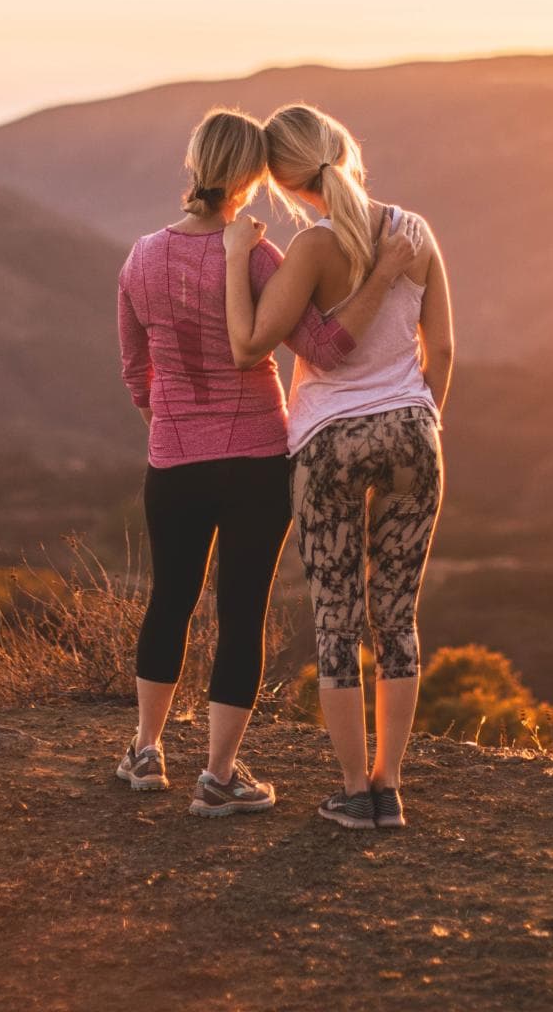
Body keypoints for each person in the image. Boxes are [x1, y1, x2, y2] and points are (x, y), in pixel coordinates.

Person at [113, 107, 414, 817]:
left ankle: (146, 751)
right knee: (241, 612)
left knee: (170, 599)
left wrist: (172, 424)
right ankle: (218, 776)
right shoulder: (260, 258)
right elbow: (325, 348)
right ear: (252, 179)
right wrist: (382, 284)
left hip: (175, 460)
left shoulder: (141, 258)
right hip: (255, 461)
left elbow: (134, 369)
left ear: (193, 167)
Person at [222, 103, 453, 831]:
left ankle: (356, 790)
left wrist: (236, 260)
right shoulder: (414, 233)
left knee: (337, 619)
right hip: (415, 433)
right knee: (397, 616)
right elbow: (441, 351)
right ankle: (391, 786)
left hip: (330, 445)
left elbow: (267, 343)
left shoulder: (314, 251)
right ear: (346, 148)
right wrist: (423, 420)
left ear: (287, 185)